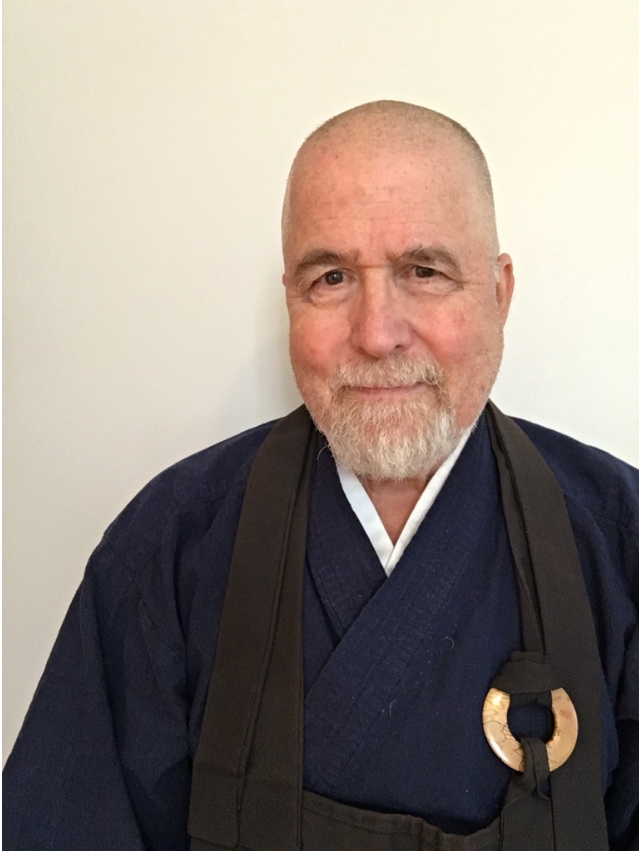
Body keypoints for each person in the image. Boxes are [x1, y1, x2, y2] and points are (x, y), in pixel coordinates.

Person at [4, 101, 639, 851]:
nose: (375, 333)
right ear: (289, 300)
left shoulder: (616, 535)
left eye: (424, 271)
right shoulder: (168, 547)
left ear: (498, 295)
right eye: (331, 277)